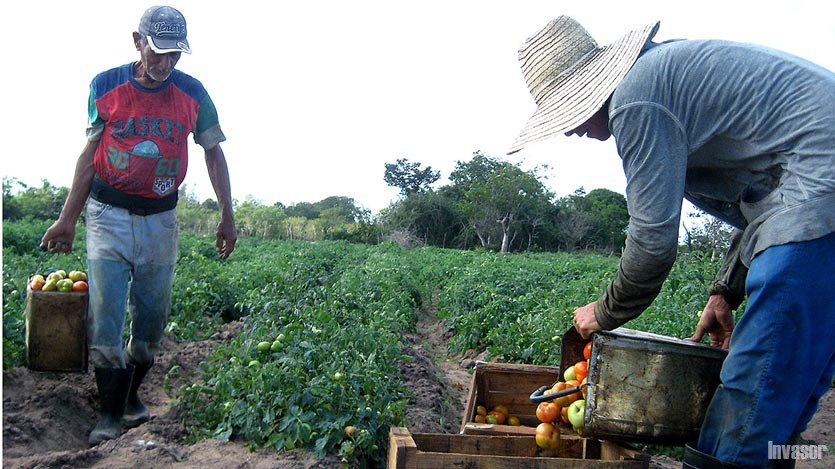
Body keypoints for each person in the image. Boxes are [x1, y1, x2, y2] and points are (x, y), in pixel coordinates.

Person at [510, 15, 835, 468]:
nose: (570, 129)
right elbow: (760, 194)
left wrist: (602, 314)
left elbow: (651, 244)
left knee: (750, 397)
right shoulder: (664, 77)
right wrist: (725, 289)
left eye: (568, 111)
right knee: (786, 404)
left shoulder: (637, 101)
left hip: (819, 205)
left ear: (592, 87)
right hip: (816, 204)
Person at [40, 5, 237, 446]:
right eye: (158, 52)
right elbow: (89, 155)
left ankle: (130, 396)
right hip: (108, 214)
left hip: (161, 218)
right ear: (137, 41)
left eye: (175, 55)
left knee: (151, 320)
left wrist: (227, 215)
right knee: (106, 314)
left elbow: (213, 153)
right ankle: (109, 414)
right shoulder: (104, 85)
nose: (166, 63)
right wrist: (66, 219)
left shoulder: (193, 94)